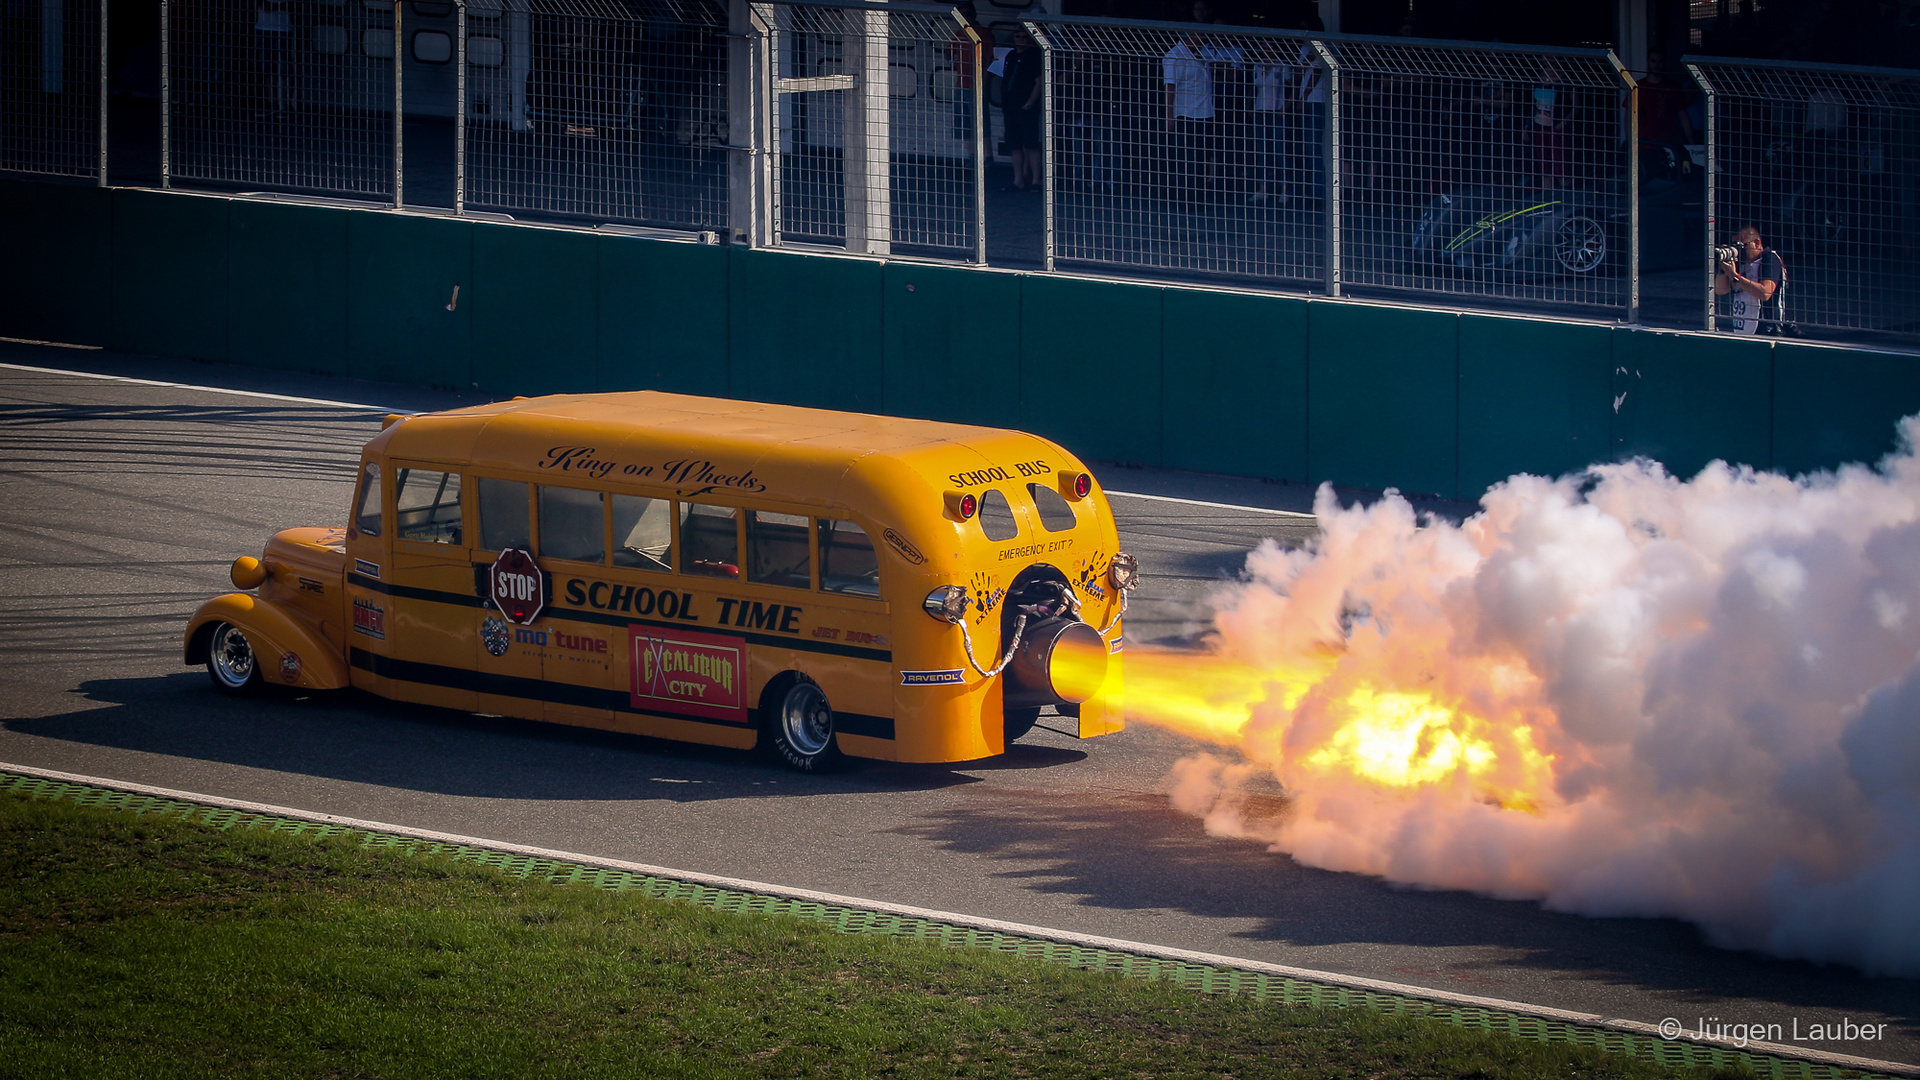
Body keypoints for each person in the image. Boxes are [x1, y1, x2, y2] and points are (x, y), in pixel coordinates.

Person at [1164, 30, 1218, 204]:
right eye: (1201, 37)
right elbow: (1169, 86)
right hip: (1186, 115)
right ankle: (1183, 198)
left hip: (1205, 114)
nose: (1204, 40)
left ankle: (1197, 196)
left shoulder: (1203, 54)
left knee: (1200, 158)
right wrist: (1169, 115)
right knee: (1185, 159)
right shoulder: (1175, 56)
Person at [1715, 224, 1786, 334]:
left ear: (1756, 243)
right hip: (1742, 327)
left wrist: (1735, 276)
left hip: (1765, 327)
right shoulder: (1742, 262)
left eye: (1742, 246)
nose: (1739, 250)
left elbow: (1765, 293)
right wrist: (1723, 268)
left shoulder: (1769, 259)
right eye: (1735, 246)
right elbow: (1720, 290)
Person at [1000, 31, 1044, 192]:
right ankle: (1018, 179)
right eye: (1017, 36)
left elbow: (1038, 82)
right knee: (1015, 145)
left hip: (1026, 108)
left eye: (1024, 37)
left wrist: (1030, 103)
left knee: (1031, 144)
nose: (1021, 40)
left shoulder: (1034, 57)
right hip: (1010, 107)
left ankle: (1035, 180)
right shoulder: (1010, 56)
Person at [948, 1, 994, 154]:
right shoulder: (960, 33)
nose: (965, 18)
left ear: (974, 14)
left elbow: (992, 61)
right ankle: (972, 159)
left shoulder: (984, 33)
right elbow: (950, 51)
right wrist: (954, 63)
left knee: (982, 126)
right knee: (964, 126)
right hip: (961, 85)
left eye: (967, 14)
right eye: (961, 15)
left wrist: (982, 84)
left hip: (977, 87)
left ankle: (987, 161)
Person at [255, 0, 294, 117]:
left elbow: (295, 5)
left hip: (282, 29)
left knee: (285, 66)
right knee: (267, 67)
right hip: (262, 28)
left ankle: (287, 105)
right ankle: (271, 102)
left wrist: (275, 6)